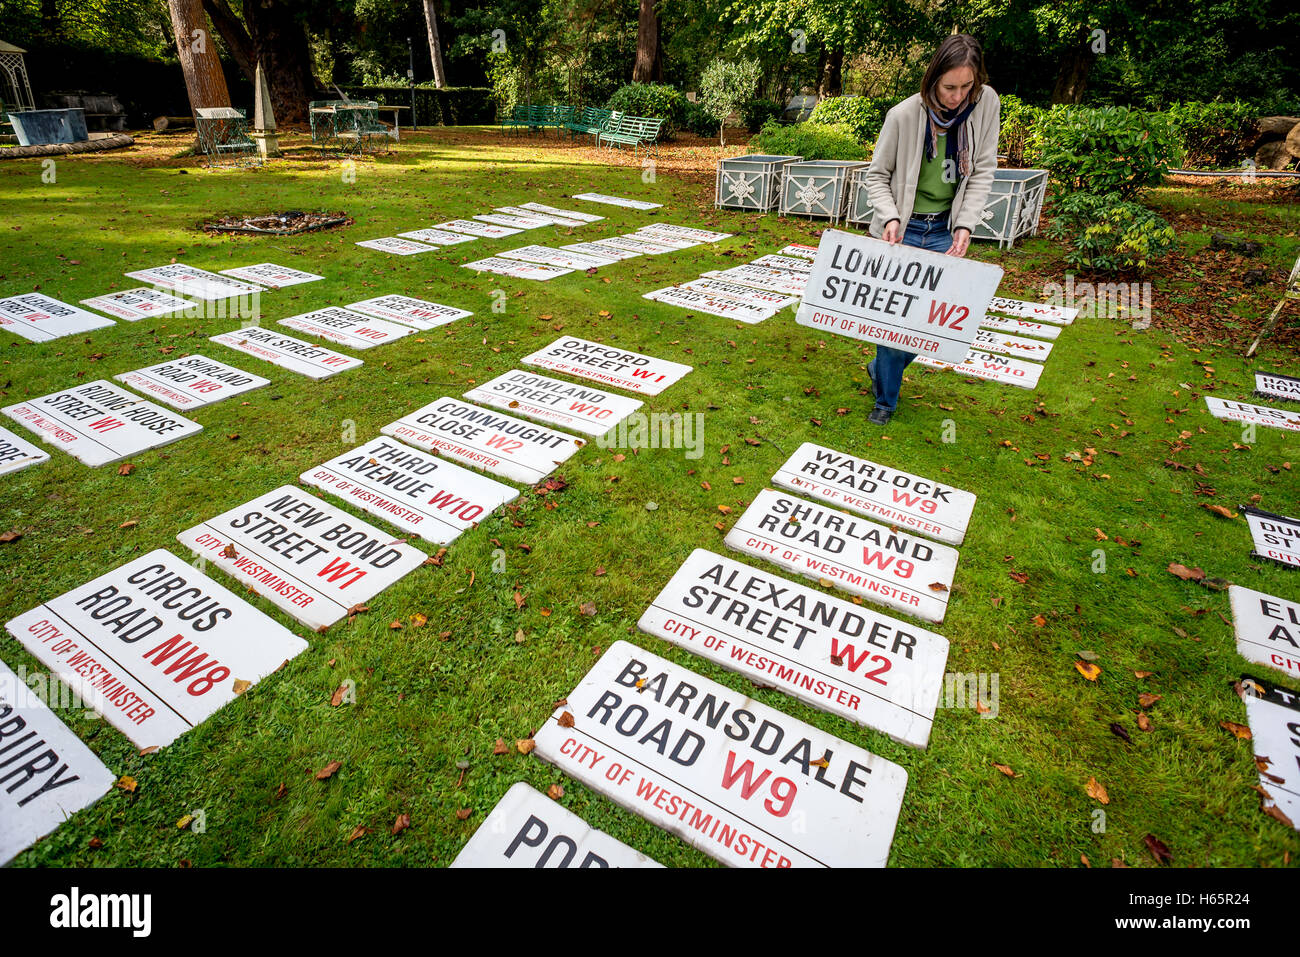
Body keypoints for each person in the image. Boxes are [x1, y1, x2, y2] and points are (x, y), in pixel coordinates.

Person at [862, 34, 1001, 426]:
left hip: (944, 229)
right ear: (932, 78)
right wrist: (890, 215)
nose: (958, 96)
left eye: (966, 87)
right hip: (901, 230)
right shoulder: (903, 115)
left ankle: (880, 369)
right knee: (894, 323)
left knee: (928, 323)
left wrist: (965, 223)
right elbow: (876, 176)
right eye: (949, 87)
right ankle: (886, 401)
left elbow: (983, 169)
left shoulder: (986, 104)